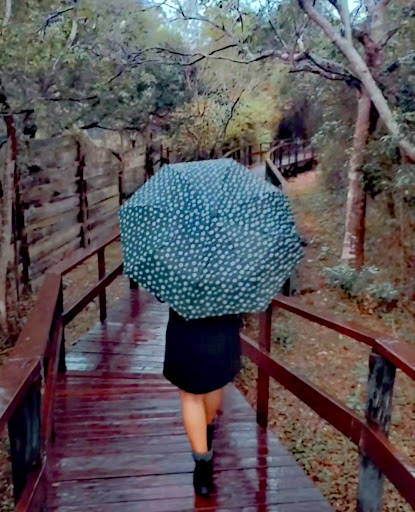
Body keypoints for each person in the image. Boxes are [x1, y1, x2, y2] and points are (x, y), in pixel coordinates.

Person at [163, 307, 242, 497]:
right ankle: (205, 433)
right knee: (214, 382)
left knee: (191, 394)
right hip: (223, 320)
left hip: (185, 322)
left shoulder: (178, 284)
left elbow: (161, 295)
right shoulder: (233, 285)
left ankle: (203, 467)